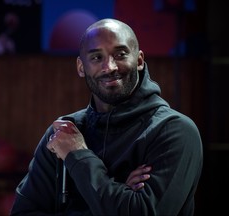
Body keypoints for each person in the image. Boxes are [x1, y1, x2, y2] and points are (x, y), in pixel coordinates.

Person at [10, 18, 203, 216]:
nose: (109, 67)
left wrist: (77, 155)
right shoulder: (62, 133)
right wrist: (119, 198)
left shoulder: (174, 131)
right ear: (81, 67)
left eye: (120, 54)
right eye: (96, 57)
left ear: (139, 60)